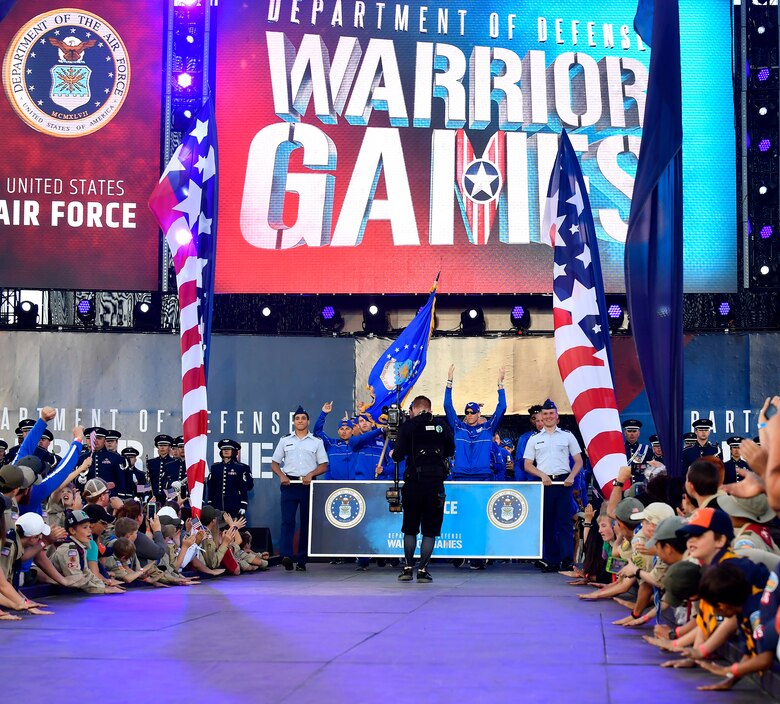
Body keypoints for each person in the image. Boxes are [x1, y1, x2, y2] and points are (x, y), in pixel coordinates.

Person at [391, 395, 455, 583]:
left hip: (413, 482)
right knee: (430, 530)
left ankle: (408, 568)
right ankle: (423, 570)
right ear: (429, 408)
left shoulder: (408, 426)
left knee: (410, 528)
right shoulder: (441, 425)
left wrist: (393, 452)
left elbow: (397, 456)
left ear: (414, 410)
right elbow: (451, 450)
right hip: (435, 483)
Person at [523, 399, 583, 572]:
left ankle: (566, 560)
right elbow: (527, 464)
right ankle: (550, 560)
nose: (548, 417)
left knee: (564, 523)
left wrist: (571, 477)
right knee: (547, 523)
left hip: (564, 482)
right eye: (545, 414)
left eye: (552, 414)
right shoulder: (534, 439)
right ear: (541, 416)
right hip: (545, 484)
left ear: (557, 417)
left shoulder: (567, 435)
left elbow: (578, 461)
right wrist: (542, 475)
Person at [270, 406, 328, 571]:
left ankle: (302, 560)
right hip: (289, 485)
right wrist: (281, 476)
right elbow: (274, 463)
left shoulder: (316, 441)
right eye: (297, 419)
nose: (300, 421)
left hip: (308, 485)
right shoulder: (285, 440)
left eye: (303, 418)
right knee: (287, 521)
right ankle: (286, 556)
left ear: (308, 421)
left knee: (306, 523)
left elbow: (323, 465)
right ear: (294, 421)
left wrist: (311, 474)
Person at [444, 364, 506, 481]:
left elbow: (502, 407)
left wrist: (500, 385)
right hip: (461, 475)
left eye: (473, 412)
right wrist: (449, 383)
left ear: (479, 414)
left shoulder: (488, 428)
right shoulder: (459, 427)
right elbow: (448, 406)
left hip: (482, 476)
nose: (470, 414)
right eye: (467, 412)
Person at [207, 439, 253, 517]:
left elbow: (245, 487)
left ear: (234, 451)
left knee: (235, 528)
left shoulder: (240, 467)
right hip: (217, 507)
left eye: (229, 449)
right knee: (217, 528)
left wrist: (243, 505)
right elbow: (211, 487)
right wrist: (210, 503)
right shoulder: (215, 467)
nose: (226, 451)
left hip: (235, 507)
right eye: (224, 449)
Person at [313, 402, 356, 480]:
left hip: (355, 486)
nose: (344, 431)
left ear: (352, 431)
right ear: (338, 431)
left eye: (347, 429)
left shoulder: (358, 445)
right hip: (333, 486)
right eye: (341, 429)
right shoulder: (331, 444)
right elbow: (317, 432)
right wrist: (323, 413)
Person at [515, 405, 543, 482]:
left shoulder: (556, 436)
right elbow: (519, 462)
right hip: (532, 482)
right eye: (534, 419)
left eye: (541, 419)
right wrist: (520, 483)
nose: (537, 421)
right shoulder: (525, 438)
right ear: (530, 420)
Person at [146, 434, 176, 499]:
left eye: (165, 445)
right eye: (160, 445)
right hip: (153, 498)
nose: (162, 448)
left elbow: (175, 484)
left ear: (169, 447)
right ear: (157, 447)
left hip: (169, 498)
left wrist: (169, 496)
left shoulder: (174, 462)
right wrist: (146, 494)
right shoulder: (151, 462)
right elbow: (148, 482)